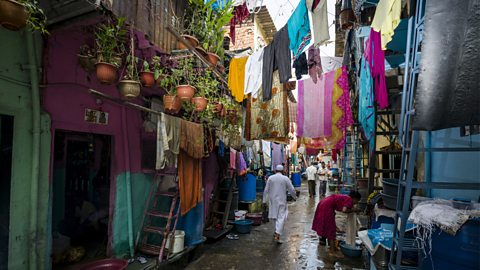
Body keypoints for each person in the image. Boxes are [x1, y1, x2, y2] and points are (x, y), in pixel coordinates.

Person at [312, 191, 362, 257]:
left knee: (329, 227)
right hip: (327, 206)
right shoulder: (349, 199)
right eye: (357, 200)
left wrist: (336, 227)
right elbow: (344, 210)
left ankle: (333, 247)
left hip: (323, 203)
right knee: (331, 230)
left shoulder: (346, 197)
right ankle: (332, 251)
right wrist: (355, 210)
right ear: (354, 198)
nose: (357, 202)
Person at [263, 165, 297, 243]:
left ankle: (276, 232)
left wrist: (264, 201)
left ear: (275, 170)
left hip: (273, 201)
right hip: (282, 200)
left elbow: (266, 190)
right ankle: (277, 233)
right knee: (281, 217)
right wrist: (294, 197)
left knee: (274, 217)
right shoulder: (285, 178)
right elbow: (291, 189)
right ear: (282, 171)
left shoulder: (271, 178)